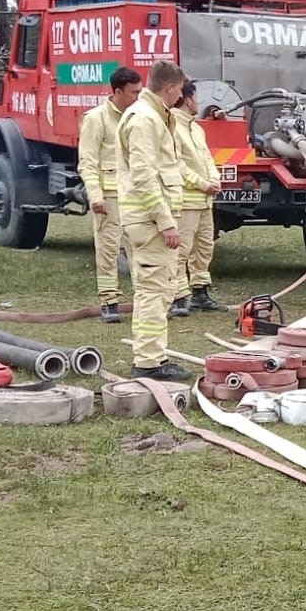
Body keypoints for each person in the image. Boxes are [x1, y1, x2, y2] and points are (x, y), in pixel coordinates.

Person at [117, 59, 191, 381]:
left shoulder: (154, 117)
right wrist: (165, 222)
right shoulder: (145, 119)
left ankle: (153, 357)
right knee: (153, 292)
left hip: (147, 221)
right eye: (179, 91)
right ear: (170, 87)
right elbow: (144, 176)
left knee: (158, 290)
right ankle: (149, 362)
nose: (181, 98)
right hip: (149, 222)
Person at [79, 66, 142, 324]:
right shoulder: (96, 118)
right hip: (110, 196)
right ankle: (109, 301)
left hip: (136, 195)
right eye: (133, 92)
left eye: (140, 92)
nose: (137, 97)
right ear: (117, 91)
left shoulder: (139, 117)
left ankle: (144, 299)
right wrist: (96, 196)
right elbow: (87, 161)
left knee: (139, 248)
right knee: (107, 249)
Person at [169, 80, 225, 317]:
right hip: (186, 201)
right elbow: (176, 164)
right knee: (181, 251)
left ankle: (200, 292)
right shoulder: (171, 127)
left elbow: (206, 159)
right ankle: (179, 297)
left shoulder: (196, 128)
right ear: (188, 99)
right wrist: (203, 184)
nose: (199, 102)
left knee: (204, 249)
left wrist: (214, 179)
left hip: (204, 202)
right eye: (197, 97)